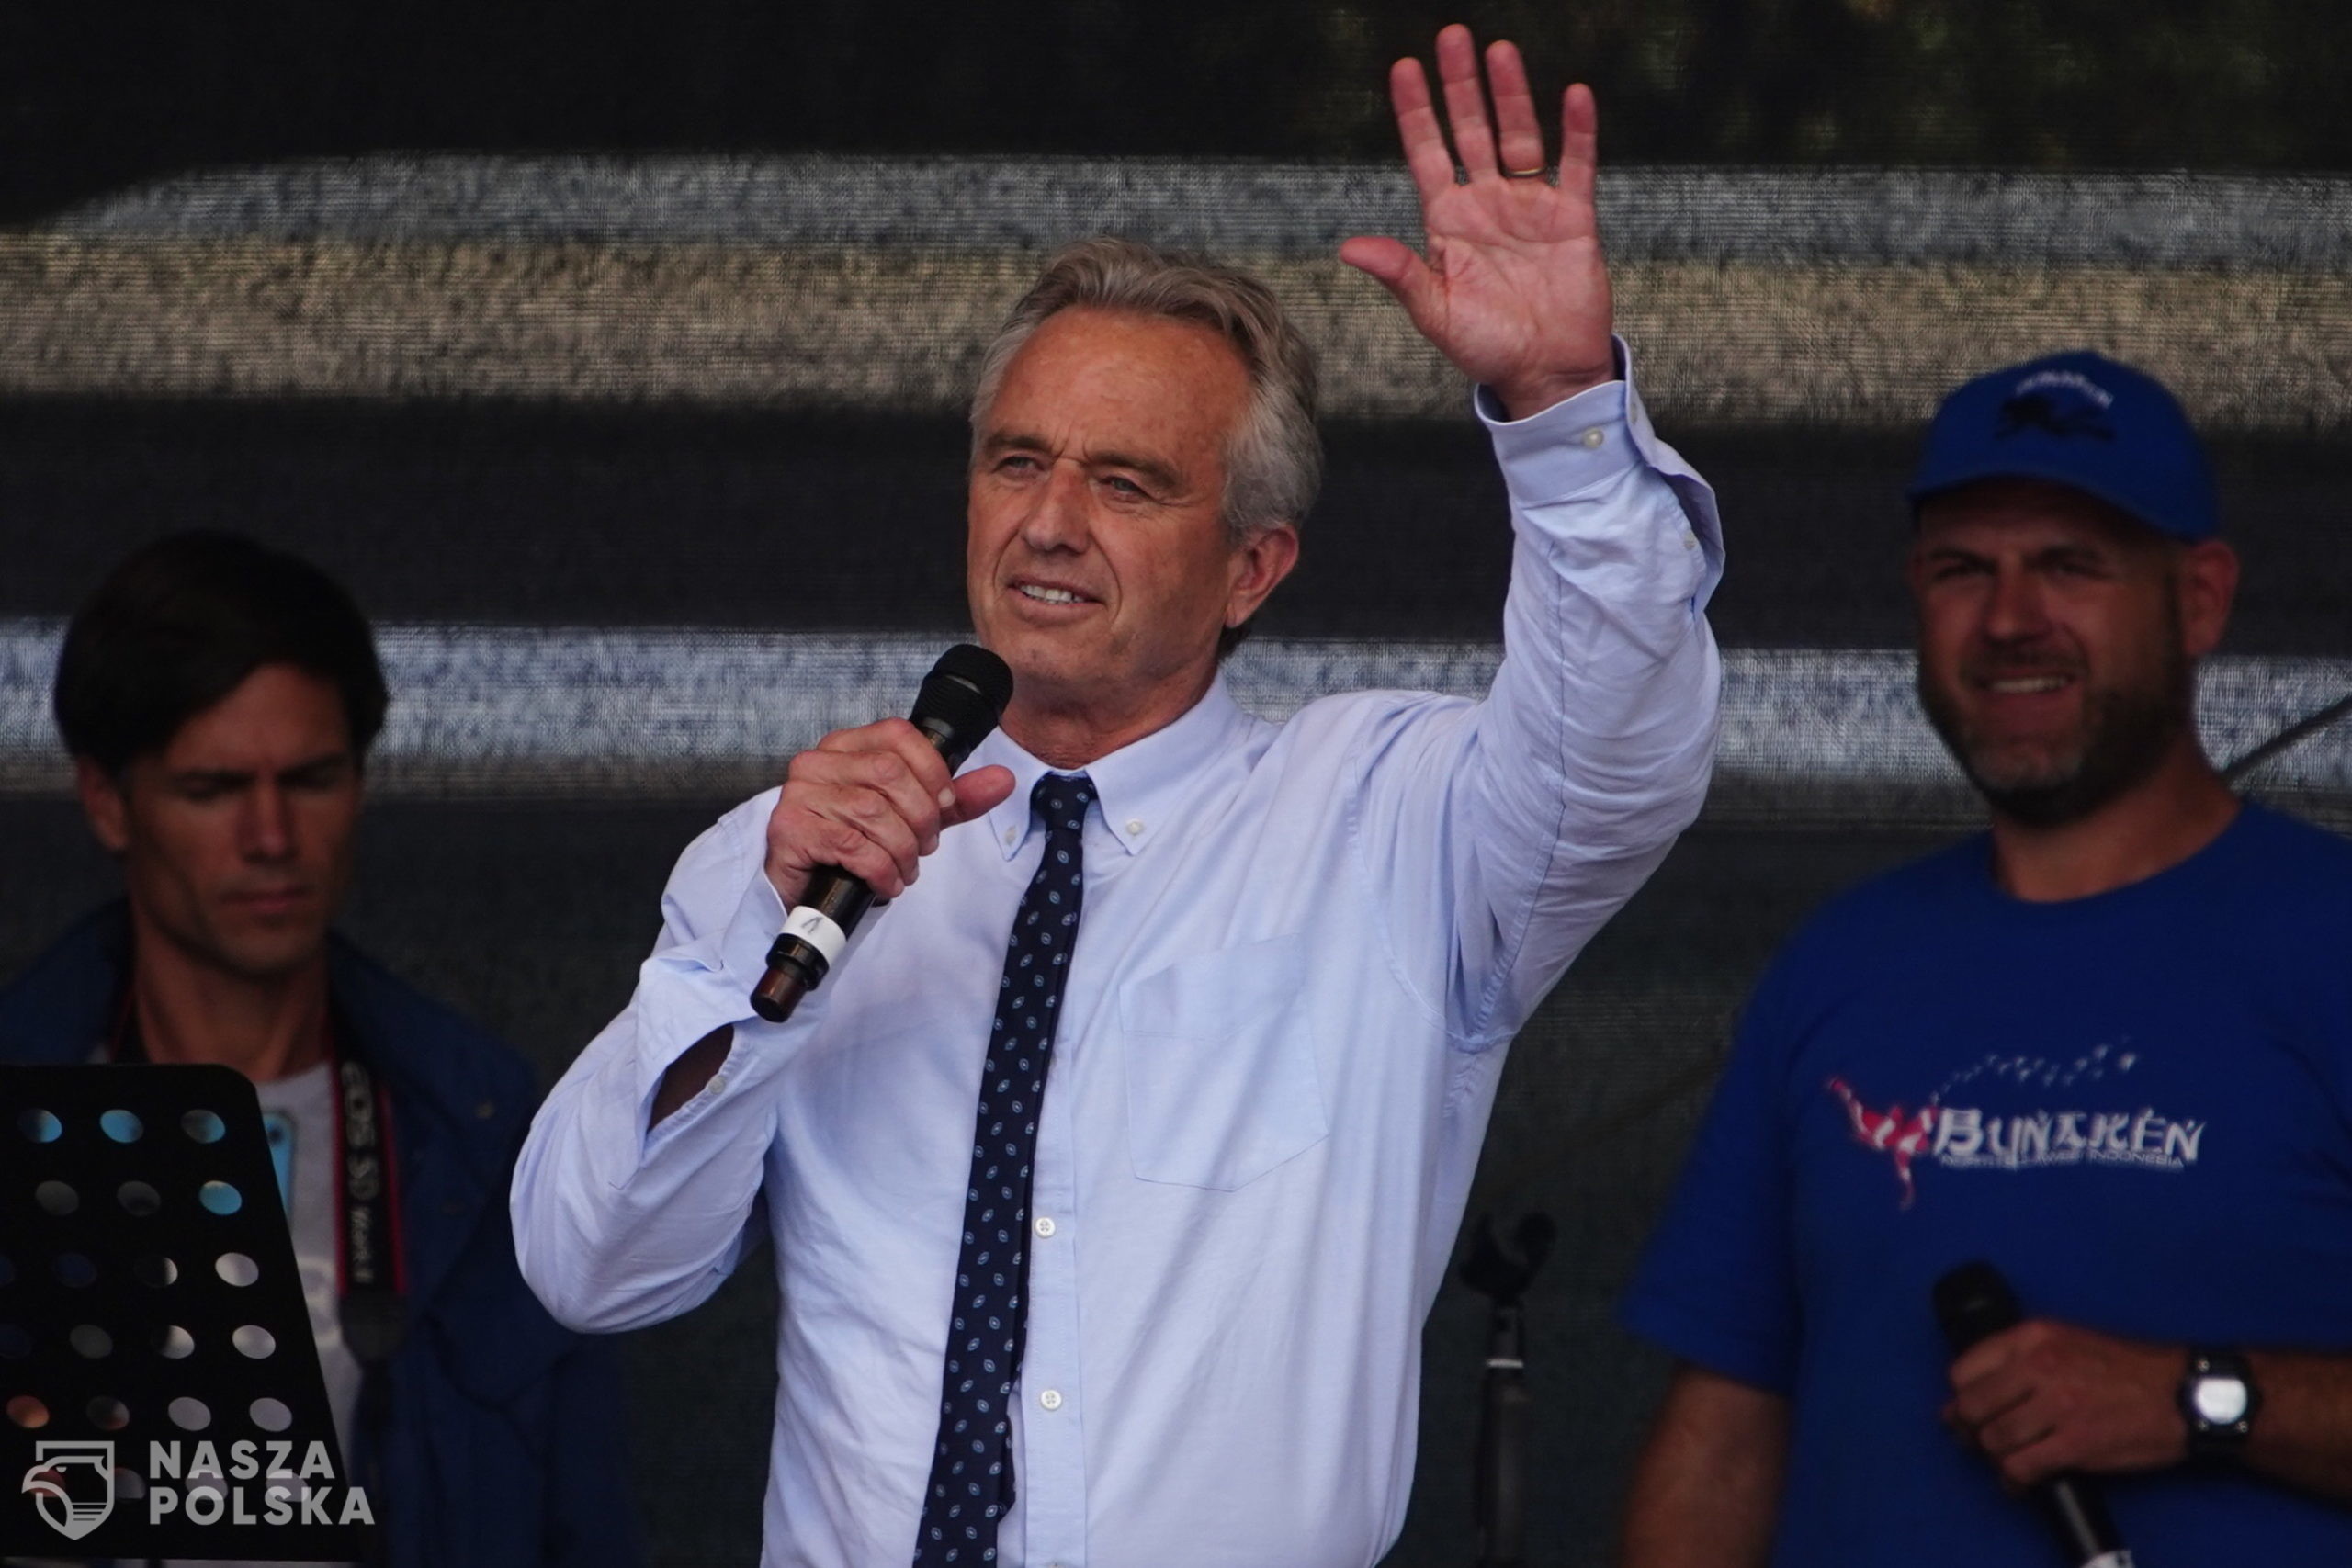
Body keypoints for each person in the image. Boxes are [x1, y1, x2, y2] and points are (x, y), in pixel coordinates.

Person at [513, 25, 1722, 1567]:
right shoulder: (802, 848)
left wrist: (1561, 413)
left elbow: (1620, 746)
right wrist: (761, 944)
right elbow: (591, 1269)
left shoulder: (1390, 821)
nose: (1050, 524)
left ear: (1253, 567)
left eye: (1128, 482)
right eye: (1017, 463)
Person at [1616, 351, 2352, 1566]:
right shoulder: (1843, 961)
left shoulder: (2326, 937)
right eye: (1965, 568)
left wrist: (2198, 1397)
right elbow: (1728, 1426)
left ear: (2202, 597)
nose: (2011, 618)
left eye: (2072, 564)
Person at [0, 532, 642, 1567]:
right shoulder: (24, 1114)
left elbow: (587, 1532)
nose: (270, 837)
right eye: (211, 789)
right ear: (107, 802)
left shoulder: (480, 1134)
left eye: (310, 778)